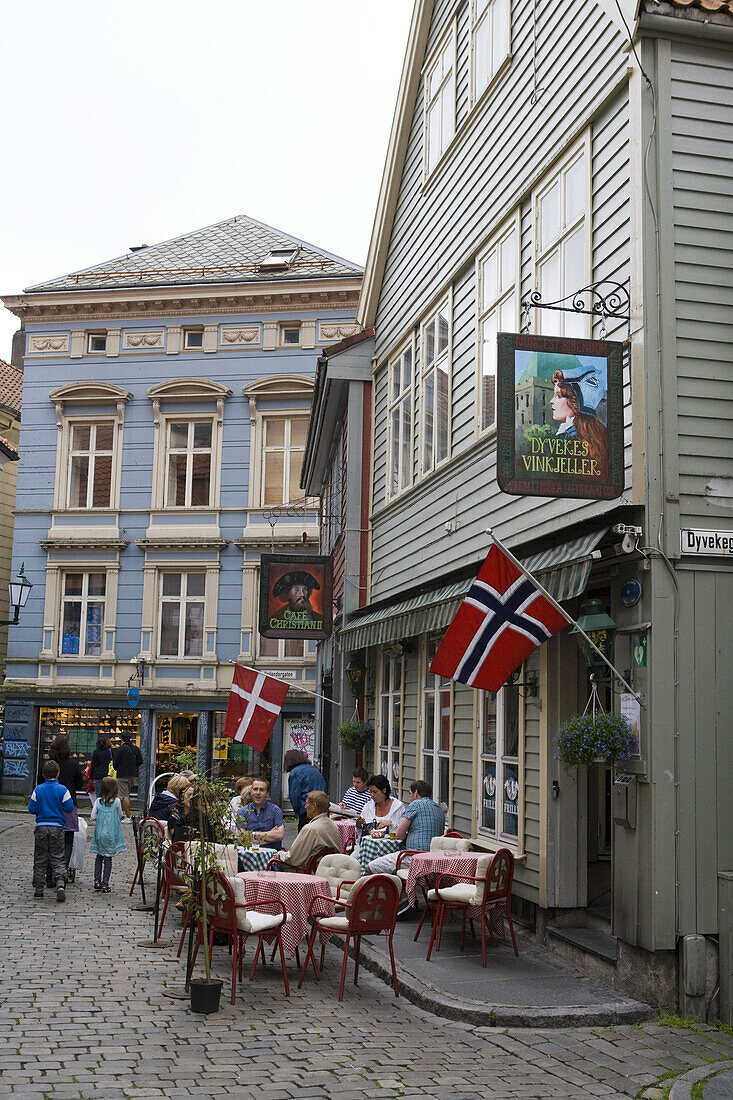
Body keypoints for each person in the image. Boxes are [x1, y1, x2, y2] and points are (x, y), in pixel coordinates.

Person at [367, 779, 445, 883]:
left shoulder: (415, 805)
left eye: (410, 794)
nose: (410, 798)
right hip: (434, 858)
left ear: (416, 792)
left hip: (414, 856)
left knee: (372, 866)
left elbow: (399, 834)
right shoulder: (439, 809)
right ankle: (405, 894)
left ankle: (390, 895)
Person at [28, 759, 74, 901]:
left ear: (43, 774)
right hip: (57, 828)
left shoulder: (38, 790)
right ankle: (60, 883)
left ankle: (39, 889)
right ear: (58, 774)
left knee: (40, 858)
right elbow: (69, 808)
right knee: (58, 857)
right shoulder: (63, 790)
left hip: (41, 827)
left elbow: (31, 809)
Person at [550, 369, 608, 480]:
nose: (551, 401)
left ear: (574, 401)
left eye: (558, 396)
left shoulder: (572, 440)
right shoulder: (598, 432)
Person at [47, 734, 84, 882]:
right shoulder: (73, 765)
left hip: (50, 806)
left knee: (51, 841)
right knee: (68, 840)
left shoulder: (48, 765)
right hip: (68, 805)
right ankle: (62, 871)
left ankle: (50, 872)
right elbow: (79, 784)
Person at [276, 790, 339, 870]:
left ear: (313, 806)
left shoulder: (310, 829)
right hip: (329, 871)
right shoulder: (334, 825)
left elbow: (293, 859)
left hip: (309, 873)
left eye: (306, 803)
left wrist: (280, 855)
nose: (305, 807)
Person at [90, 776, 126, 892]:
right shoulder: (116, 802)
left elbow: (92, 816)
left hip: (99, 833)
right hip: (111, 834)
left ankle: (96, 880)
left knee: (99, 857)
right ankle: (105, 883)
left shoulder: (98, 801)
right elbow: (120, 815)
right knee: (108, 859)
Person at [235, 777, 285, 850]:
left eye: (261, 790)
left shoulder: (276, 811)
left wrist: (253, 835)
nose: (258, 793)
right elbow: (241, 838)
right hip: (249, 854)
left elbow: (280, 835)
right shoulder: (242, 812)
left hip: (271, 855)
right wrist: (270, 834)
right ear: (251, 792)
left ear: (267, 794)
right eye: (255, 789)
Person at [284, 749, 327, 830]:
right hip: (321, 810)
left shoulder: (295, 773)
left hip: (306, 810)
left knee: (305, 838)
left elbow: (295, 796)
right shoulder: (314, 769)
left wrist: (298, 812)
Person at [113, 733, 143, 822]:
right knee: (127, 794)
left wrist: (117, 768)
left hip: (122, 774)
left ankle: (127, 816)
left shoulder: (120, 749)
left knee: (123, 795)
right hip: (132, 774)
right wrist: (134, 766)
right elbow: (140, 761)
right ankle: (124, 815)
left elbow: (115, 762)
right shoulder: (135, 749)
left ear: (122, 739)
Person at [90, 735, 113, 802]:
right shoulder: (109, 751)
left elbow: (93, 765)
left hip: (97, 775)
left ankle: (99, 808)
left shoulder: (95, 752)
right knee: (107, 793)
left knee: (98, 795)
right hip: (106, 774)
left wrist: (91, 777)